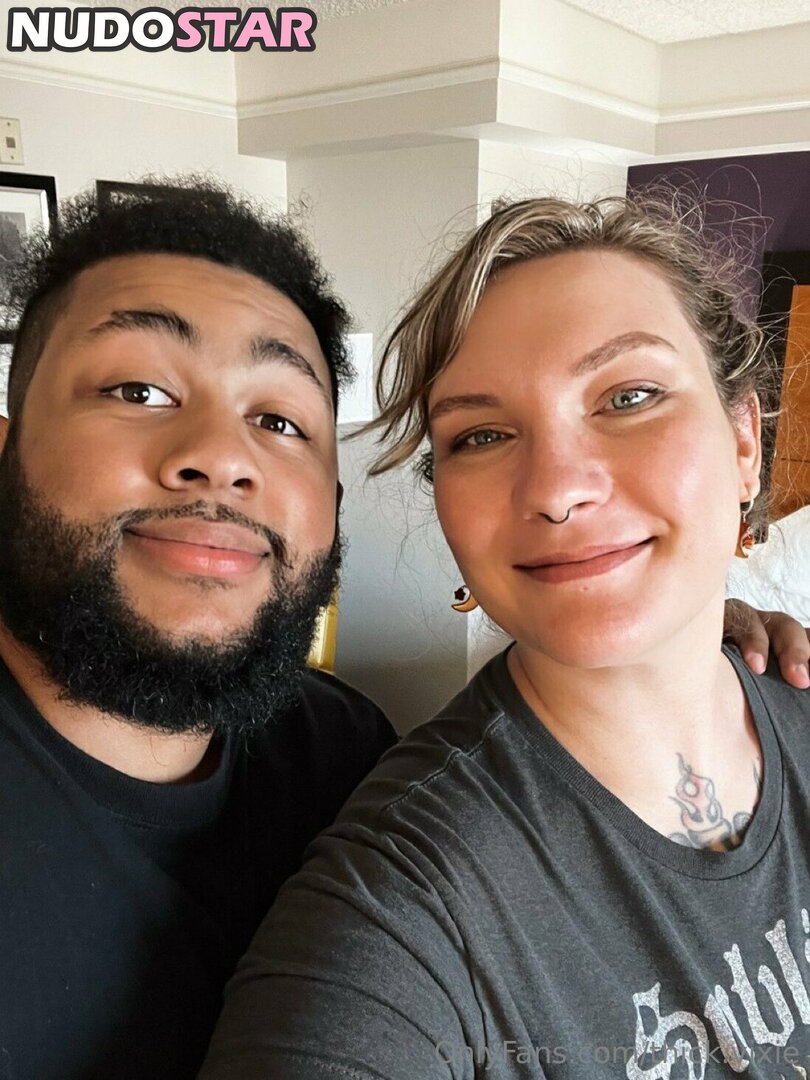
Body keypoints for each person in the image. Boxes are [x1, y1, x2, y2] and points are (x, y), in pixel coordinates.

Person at [200, 195, 810, 1080]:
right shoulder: (405, 896)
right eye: (482, 434)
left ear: (745, 442)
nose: (556, 489)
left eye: (629, 397)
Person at [0, 178, 395, 1080]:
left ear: (332, 504)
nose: (221, 456)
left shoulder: (350, 762)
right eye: (139, 389)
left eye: (278, 419)